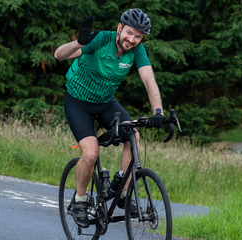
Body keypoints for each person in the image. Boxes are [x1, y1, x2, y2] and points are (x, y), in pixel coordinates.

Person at [54, 9, 164, 228]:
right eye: (129, 33)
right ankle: (80, 200)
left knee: (133, 135)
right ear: (120, 28)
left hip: (105, 103)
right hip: (78, 102)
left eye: (138, 37)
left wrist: (158, 111)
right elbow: (59, 55)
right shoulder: (101, 39)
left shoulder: (137, 51)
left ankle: (122, 192)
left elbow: (149, 79)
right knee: (91, 152)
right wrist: (78, 43)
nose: (132, 40)